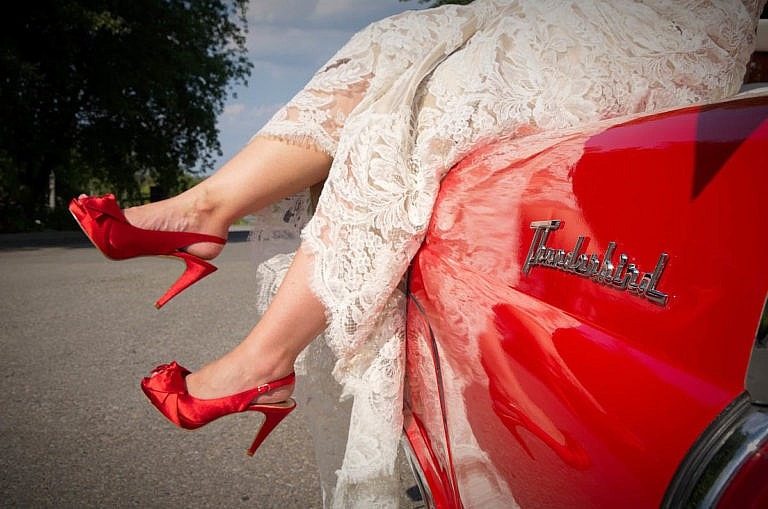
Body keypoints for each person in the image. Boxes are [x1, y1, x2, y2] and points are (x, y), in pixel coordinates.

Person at [69, 0, 765, 506]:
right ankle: (207, 208)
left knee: (430, 98)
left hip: (675, 25)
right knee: (387, 42)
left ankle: (265, 357)